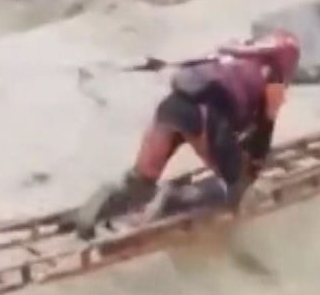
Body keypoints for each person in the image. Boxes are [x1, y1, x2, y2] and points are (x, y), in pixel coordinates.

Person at [73, 30, 302, 237]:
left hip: (170, 107)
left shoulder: (228, 55)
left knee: (141, 179)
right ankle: (176, 197)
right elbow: (264, 130)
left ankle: (94, 211)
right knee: (233, 188)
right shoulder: (273, 79)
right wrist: (252, 169)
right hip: (201, 113)